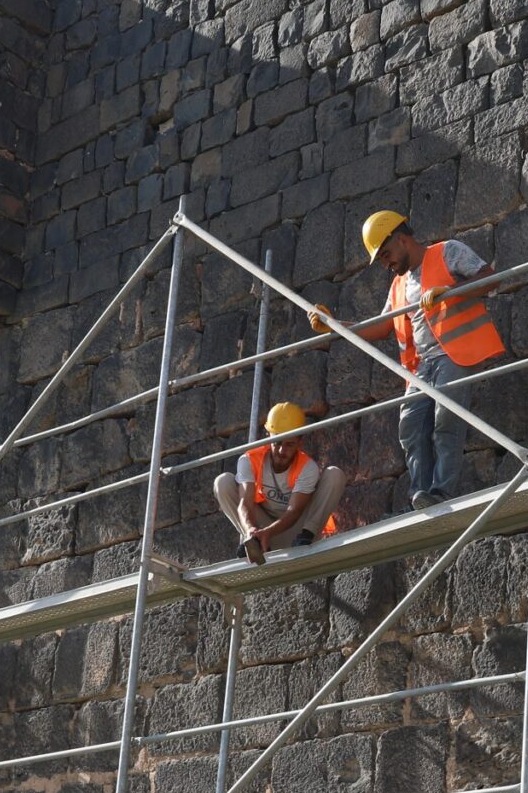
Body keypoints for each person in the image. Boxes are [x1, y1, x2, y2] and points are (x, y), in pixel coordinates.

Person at [307, 210, 505, 509]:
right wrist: (334, 326)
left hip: (455, 353)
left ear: (402, 239)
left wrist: (450, 291)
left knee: (446, 418)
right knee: (410, 425)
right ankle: (420, 494)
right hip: (422, 365)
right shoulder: (399, 285)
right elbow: (382, 326)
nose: (386, 264)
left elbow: (490, 278)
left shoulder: (447, 252)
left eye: (386, 254)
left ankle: (442, 492)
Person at [214, 400, 348, 564]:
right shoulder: (249, 460)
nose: (281, 451)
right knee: (223, 482)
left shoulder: (307, 468)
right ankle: (255, 543)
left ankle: (307, 536)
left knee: (335, 475)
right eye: (277, 442)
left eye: (289, 444)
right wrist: (252, 531)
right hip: (263, 534)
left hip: (297, 532)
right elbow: (245, 504)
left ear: (300, 442)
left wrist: (268, 532)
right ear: (267, 436)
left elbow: (294, 512)